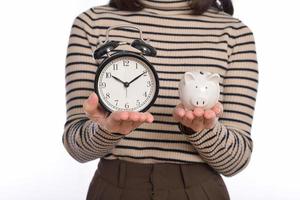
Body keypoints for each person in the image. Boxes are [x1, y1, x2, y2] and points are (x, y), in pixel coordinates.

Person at [62, 0, 259, 199]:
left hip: (199, 191)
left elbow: (236, 161)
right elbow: (77, 148)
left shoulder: (234, 33)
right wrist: (106, 130)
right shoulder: (92, 23)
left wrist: (202, 130)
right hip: (114, 189)